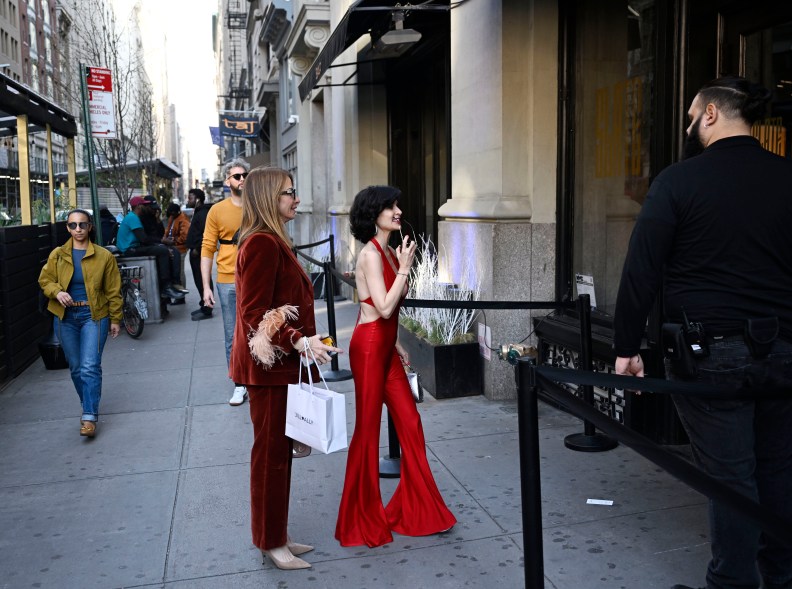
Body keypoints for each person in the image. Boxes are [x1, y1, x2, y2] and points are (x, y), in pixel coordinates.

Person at [612, 76, 792, 589]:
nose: (689, 124)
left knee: (731, 477)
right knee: (778, 470)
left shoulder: (678, 180)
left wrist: (626, 347)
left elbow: (642, 268)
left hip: (711, 353)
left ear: (711, 113)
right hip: (783, 350)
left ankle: (732, 583)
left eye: (692, 115)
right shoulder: (786, 176)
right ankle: (780, 576)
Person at [229, 166, 341, 570]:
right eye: (288, 193)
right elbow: (253, 313)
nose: (296, 199)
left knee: (281, 455)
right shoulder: (261, 243)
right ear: (267, 198)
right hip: (270, 372)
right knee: (271, 456)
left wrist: (307, 341)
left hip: (282, 369)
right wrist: (296, 339)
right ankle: (271, 541)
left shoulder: (273, 241)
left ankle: (278, 534)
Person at [335, 185, 456, 548]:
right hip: (369, 349)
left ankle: (420, 509)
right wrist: (405, 268)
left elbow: (385, 308)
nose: (398, 211)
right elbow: (384, 308)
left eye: (398, 205)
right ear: (375, 214)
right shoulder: (372, 255)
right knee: (367, 431)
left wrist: (399, 343)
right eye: (390, 206)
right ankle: (359, 517)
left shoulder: (387, 252)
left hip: (385, 348)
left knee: (411, 421)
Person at [38, 209, 122, 438]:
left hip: (93, 316)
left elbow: (113, 291)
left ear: (90, 227)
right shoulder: (58, 254)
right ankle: (89, 404)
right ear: (67, 228)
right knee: (76, 368)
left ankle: (89, 416)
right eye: (73, 225)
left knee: (90, 366)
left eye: (82, 225)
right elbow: (45, 280)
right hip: (65, 317)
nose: (78, 230)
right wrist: (56, 292)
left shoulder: (104, 256)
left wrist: (116, 318)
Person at [202, 158, 249, 405]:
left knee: (259, 330)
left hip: (255, 278)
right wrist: (206, 287)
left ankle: (257, 378)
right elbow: (207, 249)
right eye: (237, 176)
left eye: (245, 175)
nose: (242, 179)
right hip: (227, 279)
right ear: (227, 181)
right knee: (232, 334)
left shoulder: (257, 205)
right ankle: (239, 383)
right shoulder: (217, 211)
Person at [115, 196, 186, 301]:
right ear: (139, 206)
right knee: (162, 251)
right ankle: (166, 286)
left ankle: (174, 283)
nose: (146, 206)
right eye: (144, 205)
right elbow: (143, 239)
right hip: (129, 250)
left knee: (169, 249)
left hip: (134, 247)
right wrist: (161, 242)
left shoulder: (134, 217)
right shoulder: (132, 218)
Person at [185, 188, 213, 321]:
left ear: (197, 199)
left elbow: (206, 234)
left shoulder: (202, 214)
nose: (188, 200)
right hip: (196, 252)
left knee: (203, 280)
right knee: (199, 280)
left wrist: (197, 248)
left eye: (190, 198)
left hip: (199, 253)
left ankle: (207, 309)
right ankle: (204, 305)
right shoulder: (198, 212)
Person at [163, 202, 191, 303]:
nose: (170, 215)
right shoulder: (173, 218)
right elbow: (168, 230)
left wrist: (173, 240)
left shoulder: (183, 219)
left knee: (179, 273)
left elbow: (185, 237)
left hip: (180, 249)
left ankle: (181, 296)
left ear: (175, 212)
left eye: (172, 213)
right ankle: (177, 294)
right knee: (175, 273)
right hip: (173, 248)